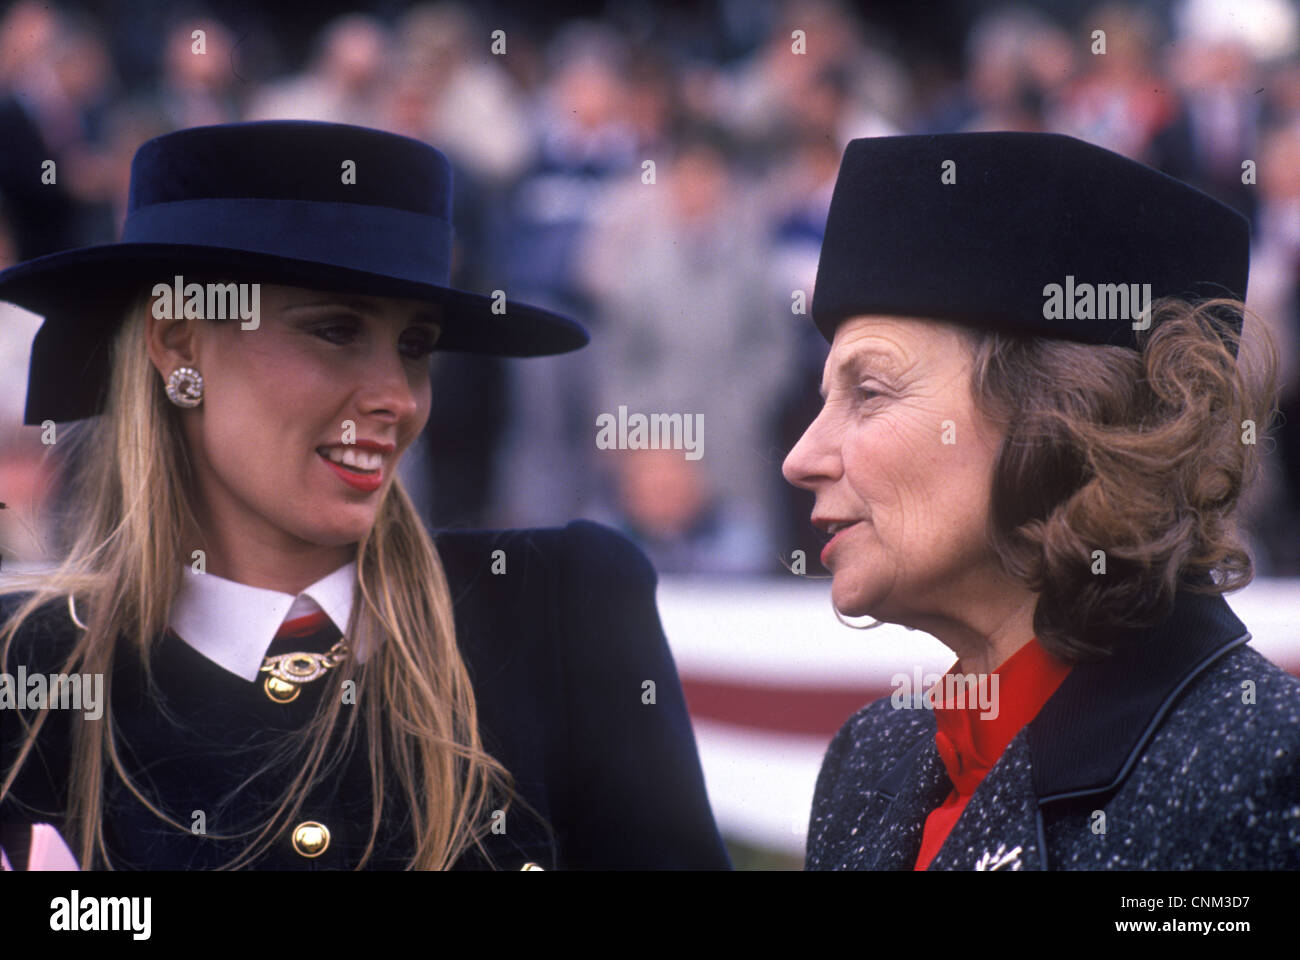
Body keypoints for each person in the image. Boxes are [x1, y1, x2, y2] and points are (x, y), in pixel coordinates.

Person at [0, 119, 730, 871]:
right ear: (180, 342)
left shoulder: (559, 608)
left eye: (415, 345)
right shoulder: (30, 671)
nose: (397, 398)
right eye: (335, 330)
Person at [784, 132, 1299, 870]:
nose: (801, 458)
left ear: (1056, 418)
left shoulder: (1263, 768)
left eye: (869, 391)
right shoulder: (870, 761)